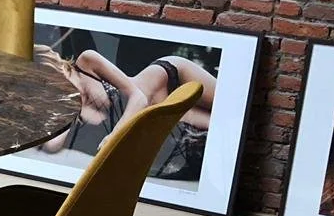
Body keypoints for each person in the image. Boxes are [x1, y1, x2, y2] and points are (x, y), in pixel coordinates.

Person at [40, 44, 217, 177]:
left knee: (232, 111)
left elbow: (138, 97)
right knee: (220, 131)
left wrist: (114, 135)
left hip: (170, 77)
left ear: (59, 64)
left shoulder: (87, 62)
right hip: (161, 110)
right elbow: (51, 144)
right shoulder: (66, 105)